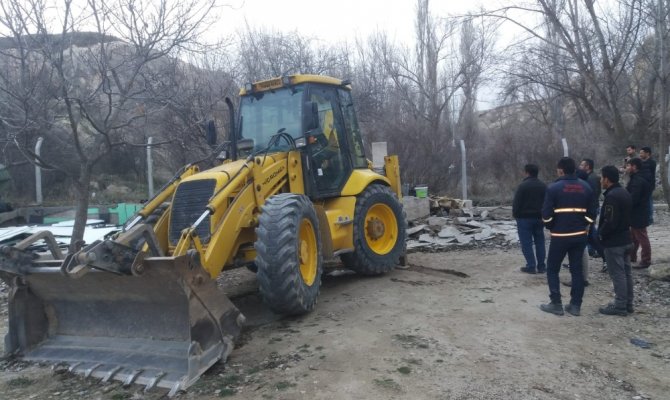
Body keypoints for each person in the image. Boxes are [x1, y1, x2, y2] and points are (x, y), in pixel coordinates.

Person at [540, 157, 596, 317]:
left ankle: (556, 303)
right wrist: (583, 224)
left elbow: (546, 214)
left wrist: (550, 226)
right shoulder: (586, 187)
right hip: (580, 236)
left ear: (561, 170)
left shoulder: (553, 188)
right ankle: (575, 305)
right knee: (576, 270)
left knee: (552, 268)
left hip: (560, 236)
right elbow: (593, 213)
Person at [597, 165, 633, 316]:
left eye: (602, 178)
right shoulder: (624, 192)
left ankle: (620, 305)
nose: (600, 181)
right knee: (626, 273)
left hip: (615, 242)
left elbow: (610, 221)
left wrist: (600, 233)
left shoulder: (612, 196)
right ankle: (628, 303)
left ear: (607, 179)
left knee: (618, 274)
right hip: (626, 238)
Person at [513, 164, 547, 274]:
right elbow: (547, 202)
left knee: (526, 243)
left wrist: (516, 215)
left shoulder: (523, 186)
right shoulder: (543, 186)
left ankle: (531, 266)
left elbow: (517, 203)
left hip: (524, 219)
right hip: (539, 218)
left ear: (526, 172)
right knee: (540, 242)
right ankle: (541, 266)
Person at [626, 158, 652, 269]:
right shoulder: (637, 178)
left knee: (641, 237)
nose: (626, 168)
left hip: (638, 213)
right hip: (637, 212)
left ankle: (646, 260)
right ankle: (632, 257)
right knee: (633, 237)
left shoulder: (638, 180)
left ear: (634, 167)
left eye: (628, 166)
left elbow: (633, 198)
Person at [638, 146, 656, 225]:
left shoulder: (651, 162)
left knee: (649, 202)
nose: (640, 155)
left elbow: (647, 172)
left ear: (647, 153)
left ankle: (650, 218)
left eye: (642, 153)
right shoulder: (643, 162)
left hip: (649, 185)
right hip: (643, 185)